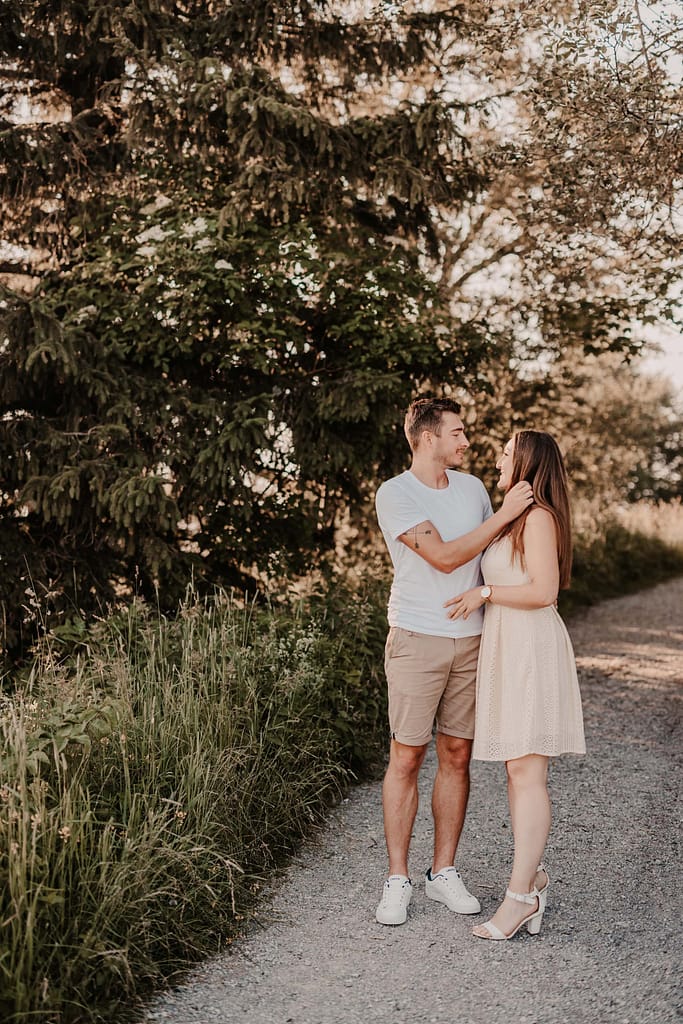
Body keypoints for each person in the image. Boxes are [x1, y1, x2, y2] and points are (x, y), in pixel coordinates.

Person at [373, 397, 534, 926]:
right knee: (407, 757)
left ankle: (442, 872)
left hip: (472, 639)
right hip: (417, 637)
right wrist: (507, 513)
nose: (466, 441)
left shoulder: (472, 488)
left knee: (457, 755)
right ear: (427, 437)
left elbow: (494, 552)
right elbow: (444, 556)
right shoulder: (396, 493)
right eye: (458, 432)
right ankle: (398, 878)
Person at [444, 430, 586, 941]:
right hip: (509, 647)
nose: (499, 459)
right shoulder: (513, 518)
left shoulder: (541, 518)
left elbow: (544, 591)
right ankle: (533, 880)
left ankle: (520, 897)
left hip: (531, 648)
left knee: (527, 773)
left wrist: (485, 592)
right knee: (516, 771)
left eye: (507, 453)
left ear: (526, 462)